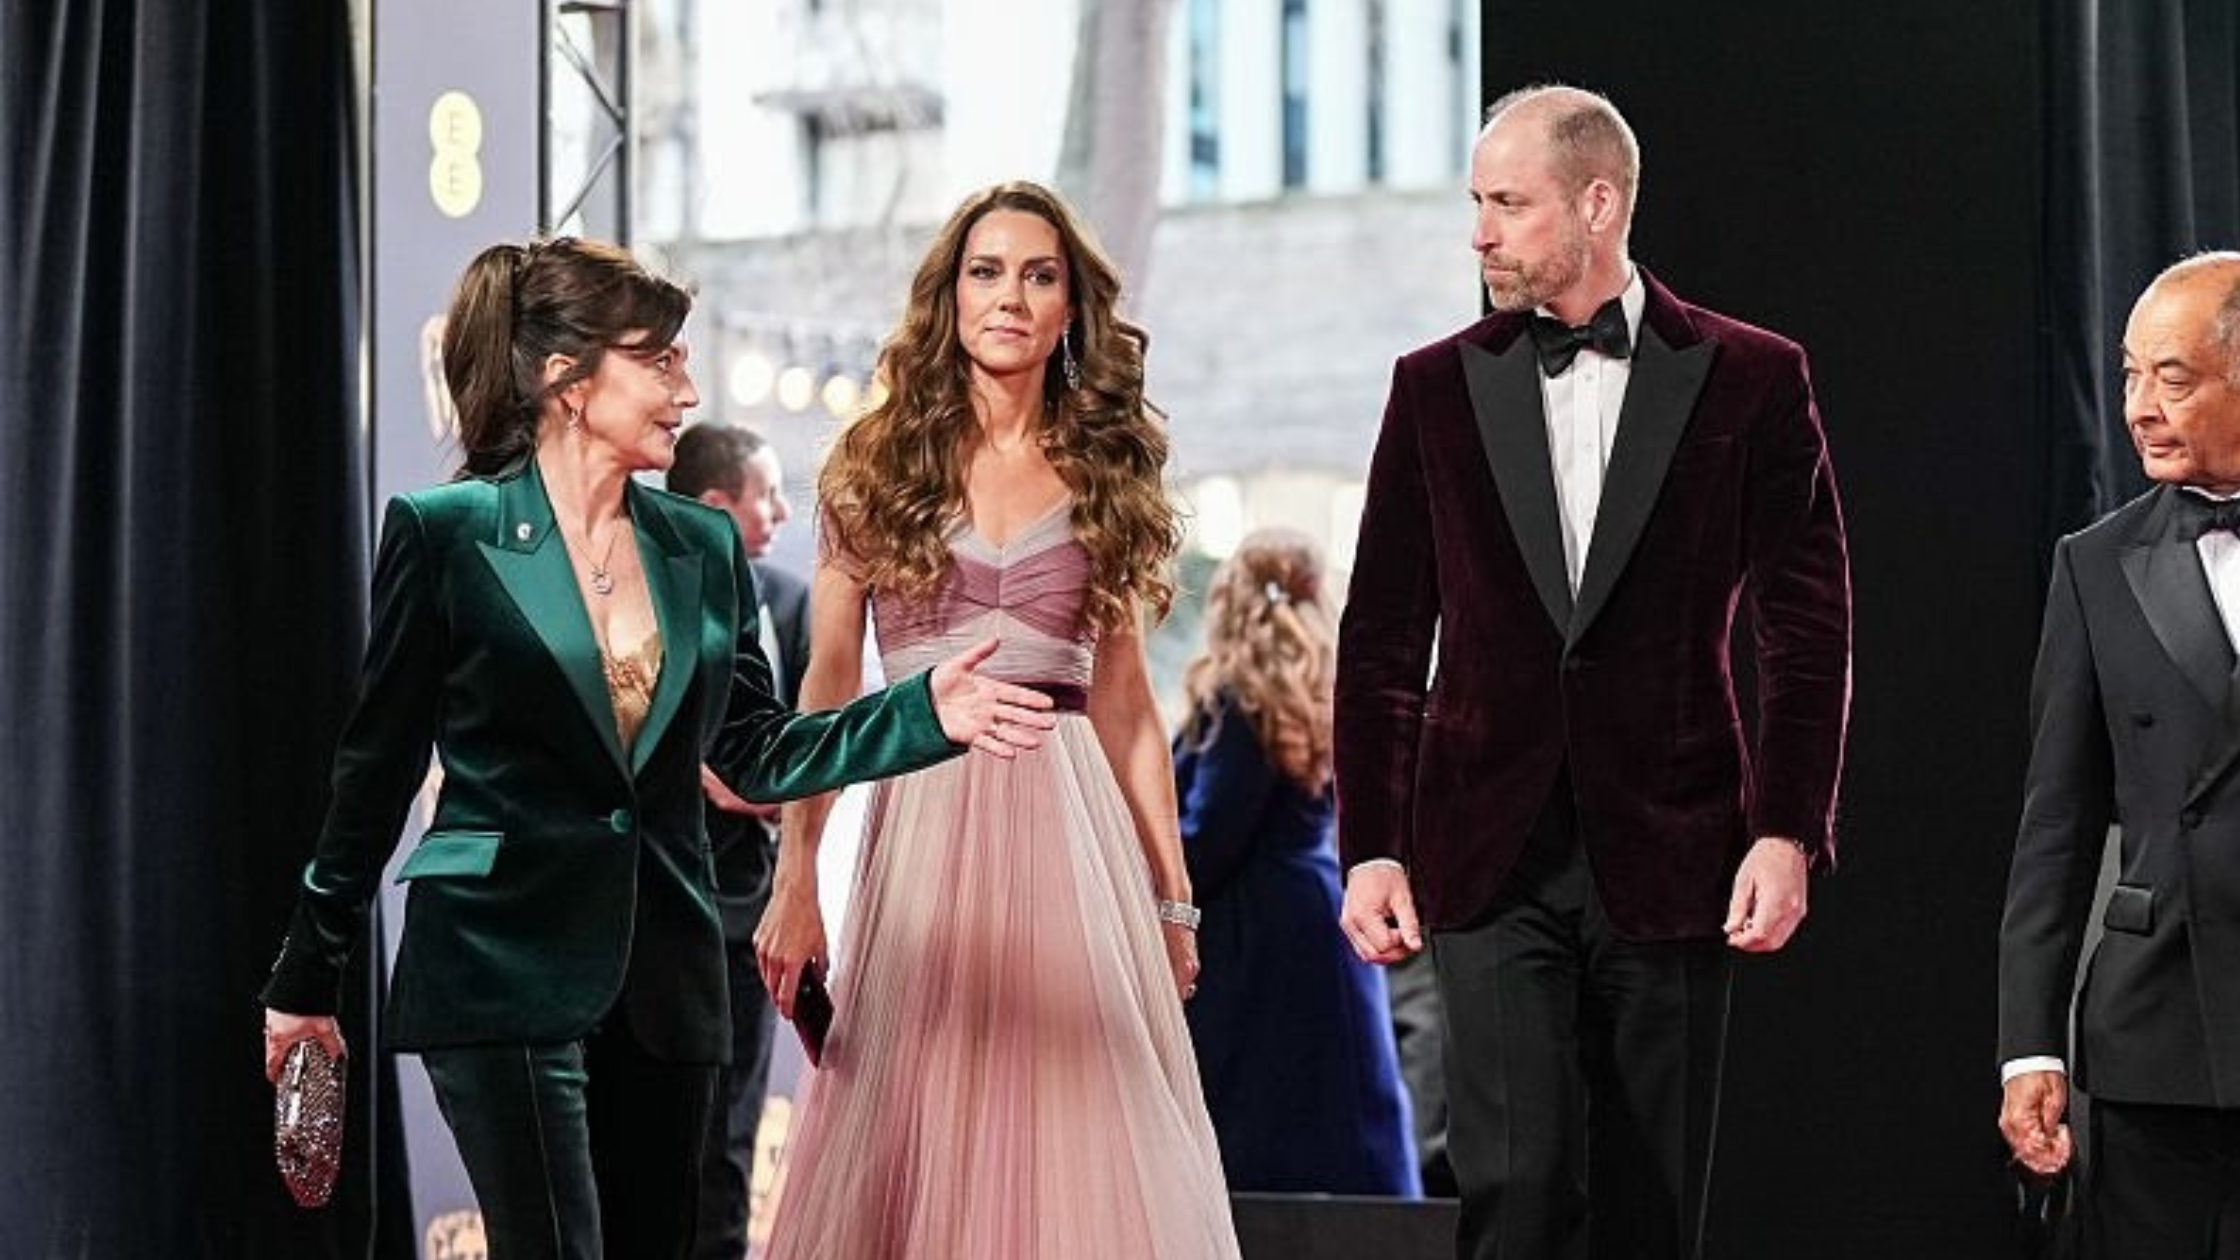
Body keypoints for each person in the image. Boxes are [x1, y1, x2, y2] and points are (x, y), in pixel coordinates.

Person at [257, 236, 1056, 1260]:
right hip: (502, 965)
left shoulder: (701, 545)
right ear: (566, 380)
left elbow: (755, 752)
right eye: (659, 358)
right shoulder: (444, 534)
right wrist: (304, 978)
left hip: (670, 979)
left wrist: (917, 716)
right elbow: (369, 780)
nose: (687, 387)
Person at [1334, 85, 1852, 1260]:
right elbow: (1378, 638)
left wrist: (1785, 828)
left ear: (1597, 203)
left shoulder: (1752, 378)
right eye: (1476, 202)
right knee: (1515, 1189)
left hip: (1673, 843)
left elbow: (1806, 628)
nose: (1478, 232)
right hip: (1484, 848)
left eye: (1506, 204)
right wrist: (1371, 841)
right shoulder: (1432, 386)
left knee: (1651, 1203)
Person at [755, 180, 1240, 1258]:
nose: (1008, 297)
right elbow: (827, 688)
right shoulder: (874, 465)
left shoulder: (1109, 467)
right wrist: (797, 881)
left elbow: (1123, 707)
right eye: (985, 271)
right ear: (949, 296)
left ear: (1071, 307)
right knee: (914, 1137)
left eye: (1037, 274)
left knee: (1082, 1139)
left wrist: (1171, 898)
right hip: (922, 825)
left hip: (1075, 847)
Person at [1999, 251, 2240, 1258]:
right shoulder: (2092, 566)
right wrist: (2025, 1047)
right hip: (2159, 1033)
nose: (2138, 406)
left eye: (2171, 378)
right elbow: (2052, 832)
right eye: (2129, 375)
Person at [1173, 528, 1420, 1196]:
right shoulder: (1334, 694)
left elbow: (1213, 832)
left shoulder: (1236, 700)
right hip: (1321, 914)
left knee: (1259, 1109)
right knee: (1338, 1101)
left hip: (1252, 930)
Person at [665, 423, 808, 1260]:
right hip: (651, 903)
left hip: (750, 910)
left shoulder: (790, 603)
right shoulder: (638, 586)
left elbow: (812, 742)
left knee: (732, 1136)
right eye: (768, 493)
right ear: (719, 505)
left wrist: (776, 789)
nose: (785, 510)